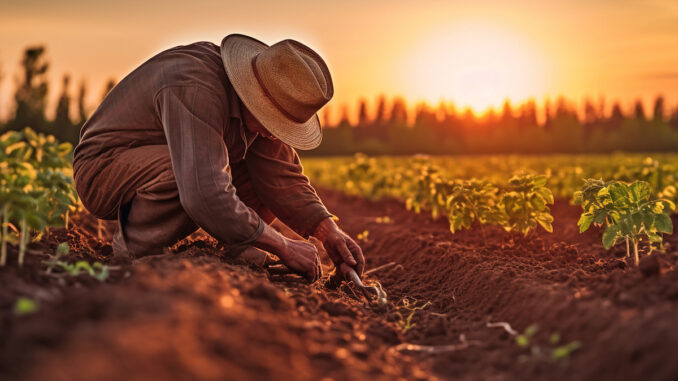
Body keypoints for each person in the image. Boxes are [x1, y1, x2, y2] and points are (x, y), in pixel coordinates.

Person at [72, 34, 364, 282]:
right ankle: (135, 255)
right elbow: (203, 191)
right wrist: (283, 245)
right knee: (190, 169)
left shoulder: (259, 111)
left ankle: (241, 248)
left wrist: (328, 232)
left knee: (259, 177)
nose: (276, 135)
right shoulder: (196, 88)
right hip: (103, 168)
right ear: (254, 97)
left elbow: (283, 177)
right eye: (276, 123)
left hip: (160, 160)